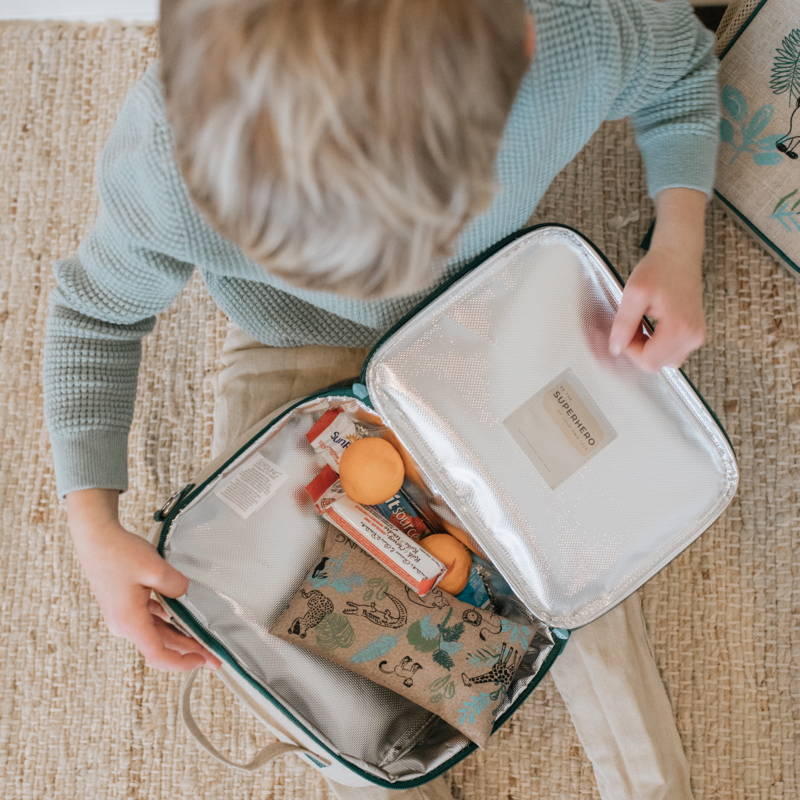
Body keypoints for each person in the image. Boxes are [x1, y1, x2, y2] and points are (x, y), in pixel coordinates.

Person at [44, 0, 717, 797]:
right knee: (282, 622)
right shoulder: (170, 153)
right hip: (290, 337)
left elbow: (682, 71)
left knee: (570, 573)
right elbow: (94, 314)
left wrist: (680, 242)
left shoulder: (572, 34)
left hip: (481, 310)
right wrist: (91, 524)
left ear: (520, 49)